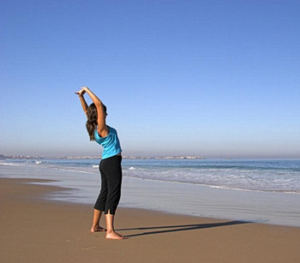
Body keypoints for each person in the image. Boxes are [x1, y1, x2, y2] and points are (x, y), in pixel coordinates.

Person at [75, 87, 126, 240]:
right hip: (111, 163)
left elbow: (86, 110)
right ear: (99, 114)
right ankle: (110, 231)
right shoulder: (101, 127)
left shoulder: (94, 127)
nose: (106, 114)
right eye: (104, 112)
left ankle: (95, 226)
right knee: (113, 194)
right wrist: (86, 90)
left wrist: (81, 97)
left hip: (105, 163)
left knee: (104, 193)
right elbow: (98, 104)